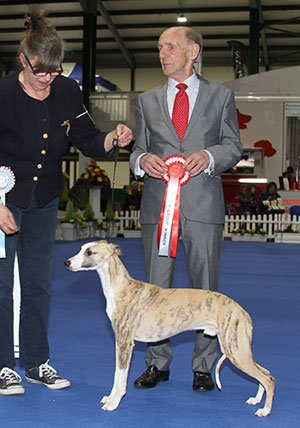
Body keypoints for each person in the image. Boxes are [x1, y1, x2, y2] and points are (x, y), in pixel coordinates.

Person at [0, 11, 132, 396]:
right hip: (3, 198)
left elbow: (88, 139)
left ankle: (36, 361)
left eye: (54, 72)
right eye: (40, 72)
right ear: (24, 61)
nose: (47, 79)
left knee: (40, 285)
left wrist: (113, 138)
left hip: (43, 200)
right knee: (2, 286)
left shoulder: (68, 91)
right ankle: (2, 365)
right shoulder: (3, 92)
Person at [129, 26, 243, 393]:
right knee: (153, 291)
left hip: (203, 208)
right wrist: (142, 159)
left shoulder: (221, 95)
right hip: (157, 208)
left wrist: (209, 156)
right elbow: (137, 149)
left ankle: (204, 367)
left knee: (206, 291)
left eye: (170, 47)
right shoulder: (145, 100)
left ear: (192, 51)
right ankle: (156, 364)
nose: (162, 54)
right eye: (159, 47)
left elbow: (233, 146)